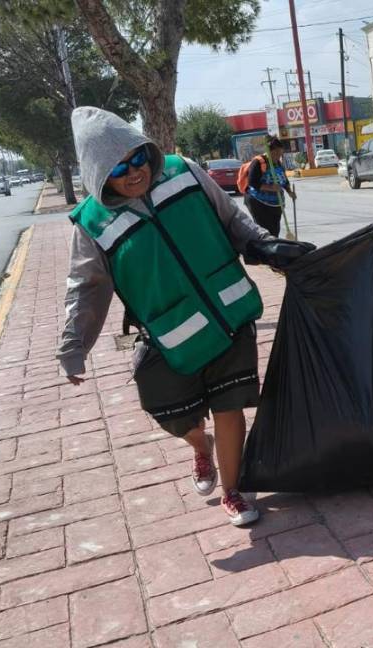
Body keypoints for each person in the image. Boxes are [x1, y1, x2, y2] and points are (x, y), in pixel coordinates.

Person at [58, 107, 311, 526]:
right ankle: (199, 444)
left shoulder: (183, 171)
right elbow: (86, 289)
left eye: (138, 157)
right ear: (99, 174)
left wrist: (265, 247)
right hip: (169, 335)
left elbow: (232, 221)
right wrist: (73, 343)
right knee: (169, 412)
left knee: (231, 407)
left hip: (229, 315)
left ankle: (234, 491)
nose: (135, 170)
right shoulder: (91, 223)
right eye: (120, 167)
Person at [244, 135, 296, 237]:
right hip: (258, 202)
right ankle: (265, 250)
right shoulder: (258, 162)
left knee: (274, 231)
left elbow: (284, 180)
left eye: (280, 154)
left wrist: (290, 192)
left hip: (276, 204)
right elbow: (252, 182)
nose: (278, 156)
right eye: (276, 153)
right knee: (264, 231)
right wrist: (270, 188)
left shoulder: (278, 163)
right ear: (269, 151)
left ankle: (275, 248)